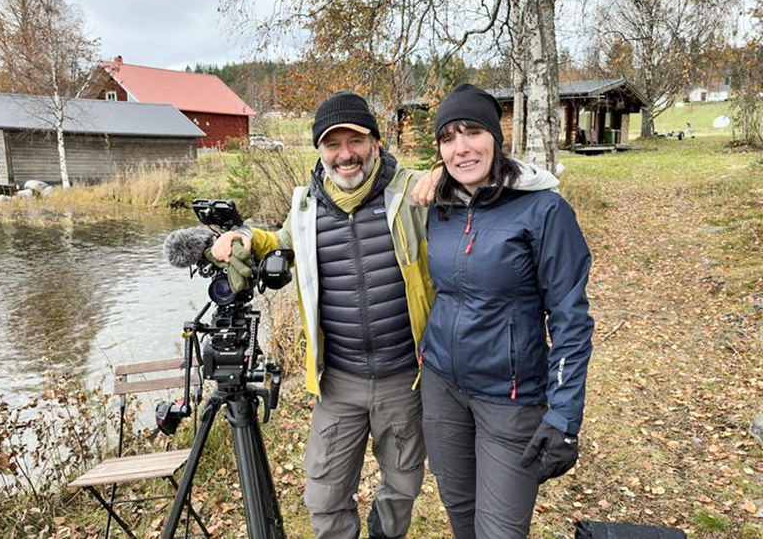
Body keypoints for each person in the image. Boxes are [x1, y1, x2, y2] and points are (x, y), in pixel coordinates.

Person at [210, 91, 433, 539]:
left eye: (355, 141)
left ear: (375, 142)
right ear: (320, 151)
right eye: (333, 144)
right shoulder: (306, 208)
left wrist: (452, 170)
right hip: (339, 382)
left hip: (404, 377)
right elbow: (276, 240)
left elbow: (489, 185)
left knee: (402, 485)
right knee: (325, 494)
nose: (345, 155)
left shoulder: (412, 192)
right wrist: (242, 236)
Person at [419, 83, 593, 538]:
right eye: (448, 137)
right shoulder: (439, 207)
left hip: (509, 399)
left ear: (496, 137)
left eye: (472, 131)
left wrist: (564, 416)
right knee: (460, 515)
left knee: (499, 531)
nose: (461, 148)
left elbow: (571, 318)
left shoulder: (543, 209)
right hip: (442, 388)